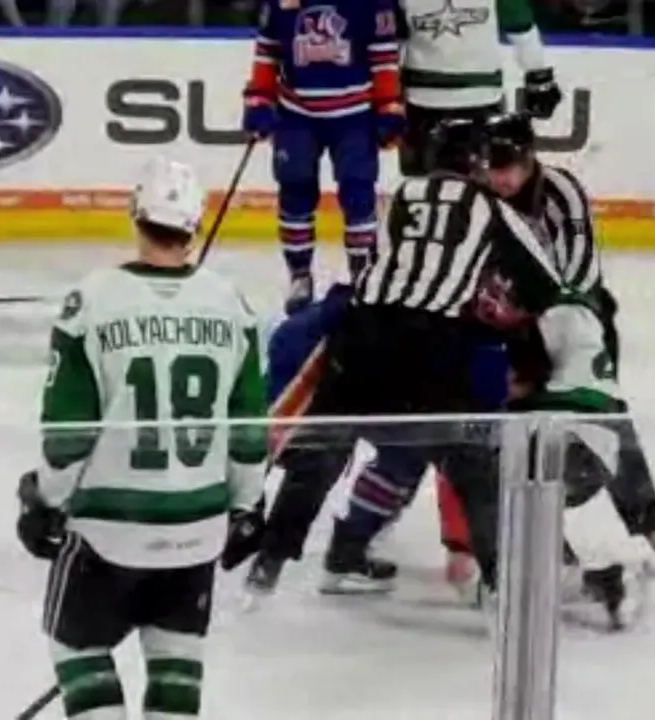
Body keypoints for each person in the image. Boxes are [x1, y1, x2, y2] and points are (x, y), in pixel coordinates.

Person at [240, 118, 566, 598]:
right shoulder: (491, 208)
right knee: (470, 463)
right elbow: (545, 286)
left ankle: (267, 565)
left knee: (322, 450)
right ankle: (503, 583)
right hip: (432, 343)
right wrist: (498, 305)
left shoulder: (402, 195)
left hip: (361, 332)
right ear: (477, 164)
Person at [14, 157, 268, 720]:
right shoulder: (233, 306)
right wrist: (247, 505)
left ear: (136, 214)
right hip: (199, 525)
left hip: (109, 529)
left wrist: (45, 501)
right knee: (177, 658)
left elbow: (68, 432)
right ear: (194, 225)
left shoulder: (91, 301)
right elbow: (249, 428)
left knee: (77, 648)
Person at [475, 111, 655, 573]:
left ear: (530, 158)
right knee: (517, 432)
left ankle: (650, 520)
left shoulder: (561, 192)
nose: (501, 177)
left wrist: (536, 317)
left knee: (602, 415)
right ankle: (547, 543)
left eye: (510, 165)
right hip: (515, 326)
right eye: (493, 166)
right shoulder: (480, 199)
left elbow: (576, 274)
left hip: (576, 319)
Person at [242, 0, 405, 313]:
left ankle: (362, 277)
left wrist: (389, 106)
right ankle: (300, 275)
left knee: (358, 194)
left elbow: (384, 56)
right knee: (295, 190)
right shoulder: (281, 3)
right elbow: (267, 51)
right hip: (296, 114)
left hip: (355, 115)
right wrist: (259, 100)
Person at [395, 0, 562, 177]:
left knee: (423, 181)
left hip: (425, 97)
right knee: (480, 181)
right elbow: (520, 27)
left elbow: (390, 38)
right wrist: (539, 76)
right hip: (478, 96)